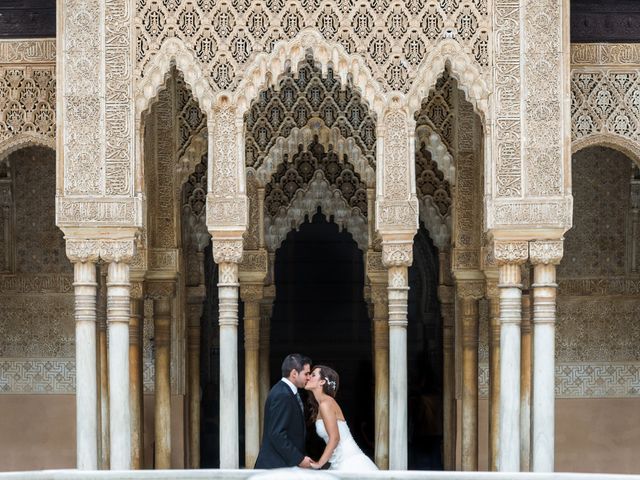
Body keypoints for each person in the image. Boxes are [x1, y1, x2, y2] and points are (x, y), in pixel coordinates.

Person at [305, 365, 378, 471]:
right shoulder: (324, 403)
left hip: (350, 462)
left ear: (322, 382)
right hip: (339, 463)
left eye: (313, 375)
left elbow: (335, 438)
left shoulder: (326, 403)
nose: (308, 377)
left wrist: (319, 463)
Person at [255, 353, 313, 469]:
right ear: (294, 374)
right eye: (306, 373)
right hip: (276, 466)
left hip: (283, 464)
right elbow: (277, 434)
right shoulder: (283, 394)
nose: (309, 377)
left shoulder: (286, 391)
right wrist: (299, 459)